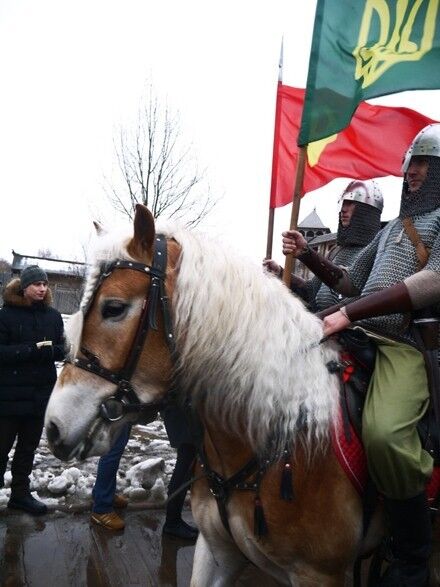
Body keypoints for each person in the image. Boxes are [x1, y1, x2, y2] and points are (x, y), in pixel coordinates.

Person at [282, 123, 440, 586]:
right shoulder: (391, 228)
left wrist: (350, 313)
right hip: (358, 335)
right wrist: (309, 255)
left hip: (402, 346)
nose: (412, 174)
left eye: (424, 167)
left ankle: (412, 551)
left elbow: (432, 281)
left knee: (386, 435)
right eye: (411, 167)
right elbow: (352, 282)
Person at [0, 265, 65, 515]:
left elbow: (63, 349)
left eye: (45, 284)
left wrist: (52, 351)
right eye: (37, 284)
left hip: (40, 397)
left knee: (27, 450)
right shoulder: (5, 315)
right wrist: (31, 350)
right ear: (24, 287)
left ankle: (20, 494)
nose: (42, 288)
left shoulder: (53, 317)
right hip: (8, 398)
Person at [264, 179, 384, 313]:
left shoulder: (378, 251)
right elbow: (310, 291)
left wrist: (321, 318)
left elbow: (362, 298)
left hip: (354, 329)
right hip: (321, 324)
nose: (343, 209)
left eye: (350, 203)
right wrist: (280, 272)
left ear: (366, 211)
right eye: (342, 203)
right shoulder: (336, 251)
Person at [90, 423, 132, 530]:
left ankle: (104, 494)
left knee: (115, 447)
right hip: (116, 408)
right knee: (112, 450)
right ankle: (102, 508)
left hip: (122, 407)